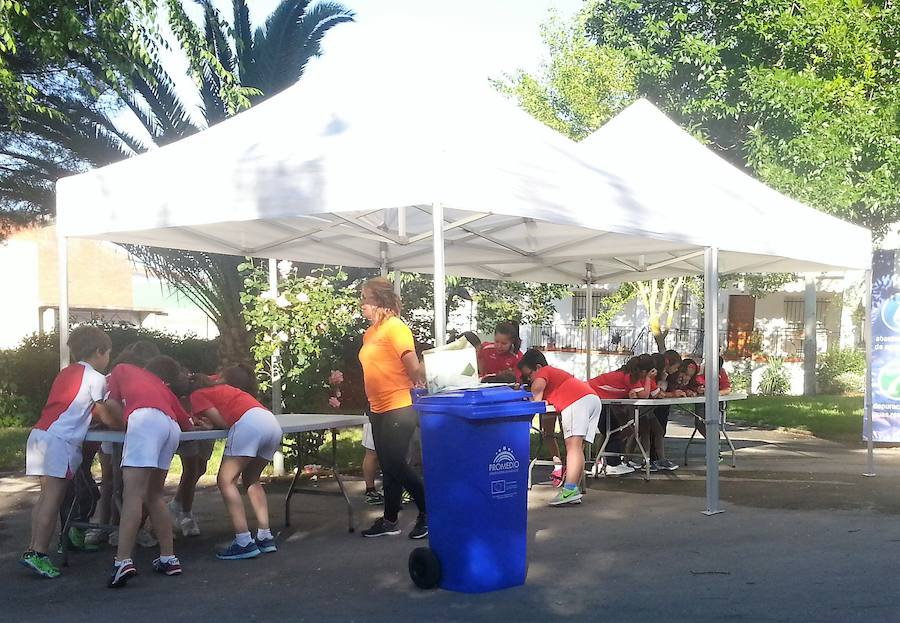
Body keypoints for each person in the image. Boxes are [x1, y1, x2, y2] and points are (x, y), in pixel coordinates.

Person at [20, 326, 113, 579]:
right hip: (60, 441)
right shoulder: (96, 378)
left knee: (44, 498)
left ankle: (32, 549)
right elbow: (104, 414)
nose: (108, 359)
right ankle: (39, 553)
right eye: (108, 353)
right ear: (99, 351)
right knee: (53, 500)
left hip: (41, 434)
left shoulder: (67, 373)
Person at [99, 355, 193, 588]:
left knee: (133, 494)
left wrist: (125, 425)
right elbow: (186, 423)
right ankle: (168, 558)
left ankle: (122, 561)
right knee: (154, 494)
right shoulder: (161, 386)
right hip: (170, 427)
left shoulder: (121, 369)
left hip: (143, 420)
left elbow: (112, 405)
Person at [357, 277, 428, 539]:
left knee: (396, 463)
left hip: (399, 404)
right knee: (387, 465)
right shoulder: (370, 333)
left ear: (379, 300)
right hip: (377, 407)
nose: (361, 303)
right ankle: (389, 520)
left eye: (365, 298)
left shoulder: (396, 328)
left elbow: (413, 369)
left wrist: (425, 374)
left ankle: (429, 511)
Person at [187, 374, 282, 560]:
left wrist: (208, 425)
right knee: (252, 479)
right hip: (270, 423)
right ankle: (265, 536)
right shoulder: (224, 388)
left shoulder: (197, 394)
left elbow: (223, 422)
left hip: (248, 425)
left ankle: (243, 541)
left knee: (225, 481)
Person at [517, 349, 601, 506]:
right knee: (578, 448)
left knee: (573, 447)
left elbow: (536, 396)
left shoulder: (544, 371)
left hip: (576, 401)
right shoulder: (555, 374)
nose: (529, 380)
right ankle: (573, 489)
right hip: (591, 399)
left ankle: (569, 490)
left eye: (529, 375)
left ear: (537, 367)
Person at [587, 356, 656, 475]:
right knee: (613, 431)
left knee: (612, 430)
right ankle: (612, 464)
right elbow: (644, 395)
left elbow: (630, 392)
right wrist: (649, 379)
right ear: (644, 371)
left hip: (597, 398)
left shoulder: (627, 374)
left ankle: (610, 462)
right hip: (593, 397)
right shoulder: (631, 377)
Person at [693, 356, 732, 441]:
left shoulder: (721, 372)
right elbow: (690, 385)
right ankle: (712, 440)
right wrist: (697, 389)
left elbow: (727, 389)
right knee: (700, 422)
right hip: (701, 401)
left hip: (715, 402)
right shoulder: (698, 370)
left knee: (713, 422)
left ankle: (714, 441)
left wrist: (716, 394)